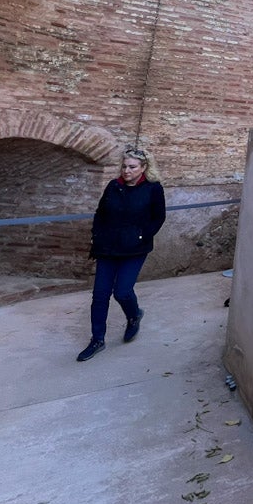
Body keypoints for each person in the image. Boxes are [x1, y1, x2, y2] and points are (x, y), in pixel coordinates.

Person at [77, 146, 167, 362]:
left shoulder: (153, 189)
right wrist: (96, 235)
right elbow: (101, 213)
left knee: (122, 292)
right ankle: (97, 339)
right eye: (124, 166)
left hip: (134, 249)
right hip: (107, 247)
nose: (127, 171)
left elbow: (159, 217)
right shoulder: (113, 186)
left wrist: (142, 235)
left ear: (143, 167)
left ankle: (134, 315)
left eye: (132, 167)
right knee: (100, 295)